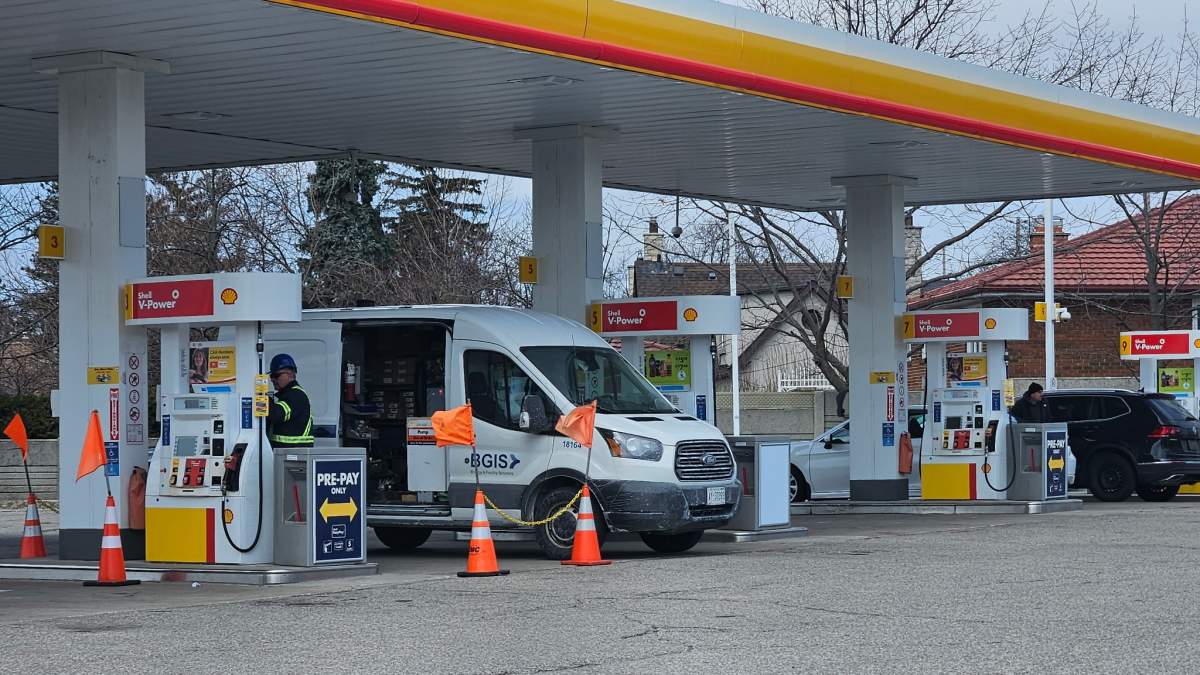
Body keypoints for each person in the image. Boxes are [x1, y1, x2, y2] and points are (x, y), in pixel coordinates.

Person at [266, 353, 314, 448]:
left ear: (290, 374)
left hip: (293, 456)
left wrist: (261, 395)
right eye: (271, 376)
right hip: (287, 454)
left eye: (276, 375)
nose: (272, 379)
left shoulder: (296, 395)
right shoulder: (286, 395)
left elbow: (276, 414)